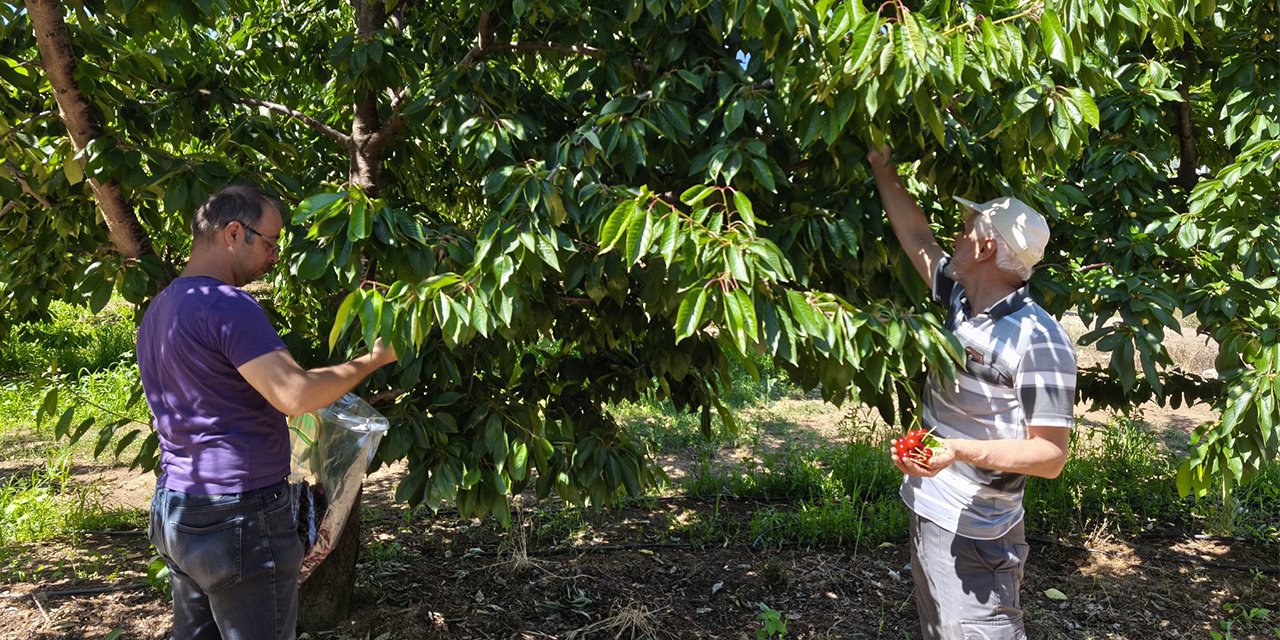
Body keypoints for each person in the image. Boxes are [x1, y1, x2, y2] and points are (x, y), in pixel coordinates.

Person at [137, 185, 398, 640]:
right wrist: (374, 360)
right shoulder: (227, 305)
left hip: (178, 507)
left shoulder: (161, 309)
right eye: (271, 242)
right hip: (238, 515)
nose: (275, 256)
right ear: (234, 233)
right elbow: (294, 394)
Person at [867, 148, 1077, 640]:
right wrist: (882, 166)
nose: (955, 238)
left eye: (965, 230)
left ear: (983, 247)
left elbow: (1050, 455)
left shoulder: (1039, 341)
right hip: (930, 508)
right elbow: (917, 238)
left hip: (977, 534)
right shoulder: (962, 300)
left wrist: (956, 451)